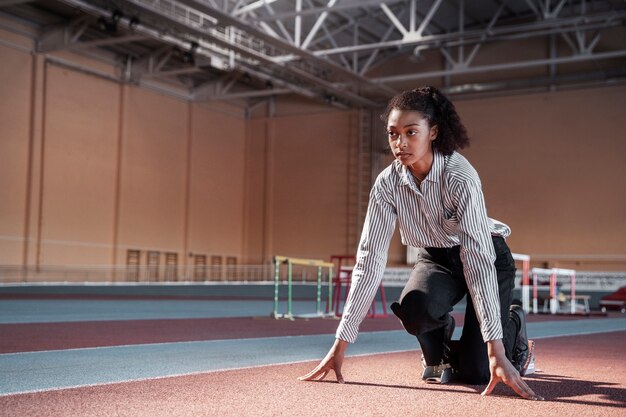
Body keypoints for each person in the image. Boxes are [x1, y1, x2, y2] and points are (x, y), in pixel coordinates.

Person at [299, 86, 543, 401]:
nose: (400, 143)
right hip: (436, 257)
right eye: (393, 134)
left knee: (479, 373)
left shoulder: (460, 177)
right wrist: (340, 343)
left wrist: (495, 345)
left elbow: (477, 259)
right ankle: (441, 352)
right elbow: (370, 259)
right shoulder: (387, 184)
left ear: (433, 132)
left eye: (411, 132)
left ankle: (512, 325)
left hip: (488, 257)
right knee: (414, 309)